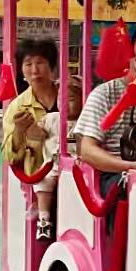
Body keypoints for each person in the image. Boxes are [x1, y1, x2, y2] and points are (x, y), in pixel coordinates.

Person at [75, 20, 136, 184]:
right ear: (132, 48)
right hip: (115, 175)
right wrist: (132, 166)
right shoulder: (105, 93)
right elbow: (87, 150)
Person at [1, 38, 59, 177]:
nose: (34, 70)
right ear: (21, 69)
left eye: (40, 63)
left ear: (52, 66)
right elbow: (9, 157)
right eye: (28, 64)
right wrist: (20, 132)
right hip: (38, 177)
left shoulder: (70, 96)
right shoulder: (18, 107)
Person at [33, 75, 82, 240]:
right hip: (53, 165)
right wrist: (31, 127)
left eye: (71, 99)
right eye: (61, 99)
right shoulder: (51, 119)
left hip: (77, 166)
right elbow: (37, 134)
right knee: (43, 180)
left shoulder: (84, 121)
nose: (65, 104)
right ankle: (44, 220)